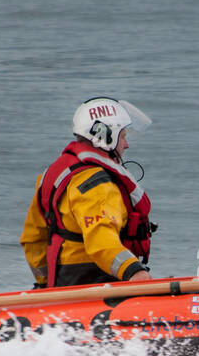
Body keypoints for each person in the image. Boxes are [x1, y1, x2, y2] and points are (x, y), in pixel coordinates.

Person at [20, 97, 157, 287]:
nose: (126, 145)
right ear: (105, 135)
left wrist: (44, 284)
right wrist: (134, 272)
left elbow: (33, 239)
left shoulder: (54, 175)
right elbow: (101, 241)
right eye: (123, 136)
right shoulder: (98, 186)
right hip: (96, 281)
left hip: (63, 283)